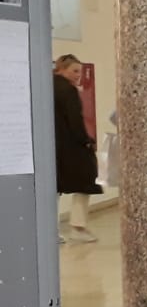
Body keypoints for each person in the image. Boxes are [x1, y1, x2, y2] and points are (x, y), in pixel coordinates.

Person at [52, 54, 101, 243]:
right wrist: (86, 141)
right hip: (71, 146)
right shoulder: (69, 90)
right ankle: (78, 227)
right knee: (86, 181)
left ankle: (52, 230)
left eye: (79, 71)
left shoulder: (46, 86)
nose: (78, 75)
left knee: (54, 188)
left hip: (52, 146)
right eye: (74, 71)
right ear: (62, 69)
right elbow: (75, 120)